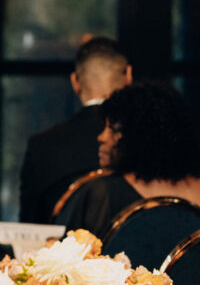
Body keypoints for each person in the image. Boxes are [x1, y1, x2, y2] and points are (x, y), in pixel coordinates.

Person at [58, 81, 200, 236]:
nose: (101, 137)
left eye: (113, 129)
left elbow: (72, 255)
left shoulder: (102, 193)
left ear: (138, 136)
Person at [19, 36, 132, 223]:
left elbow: (30, 231)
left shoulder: (42, 146)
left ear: (75, 81)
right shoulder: (148, 142)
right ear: (128, 76)